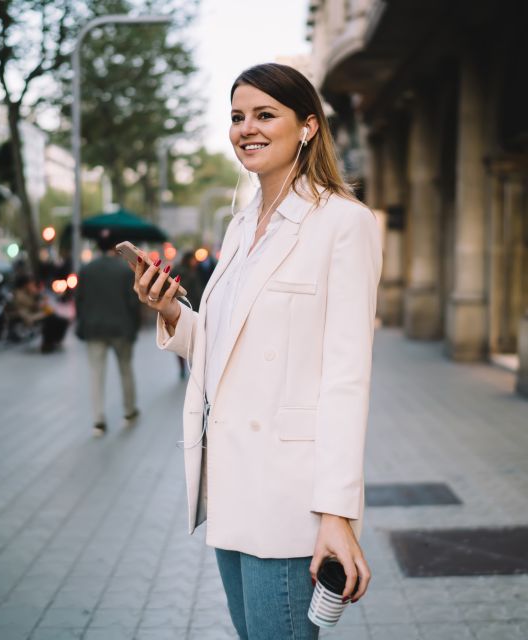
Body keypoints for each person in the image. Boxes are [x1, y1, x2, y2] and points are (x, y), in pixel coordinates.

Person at [132, 63, 382, 639]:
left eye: (265, 115)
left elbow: (347, 380)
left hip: (291, 497)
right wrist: (171, 311)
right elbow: (226, 350)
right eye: (238, 117)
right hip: (230, 486)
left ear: (308, 127)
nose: (247, 128)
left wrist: (338, 515)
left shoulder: (343, 223)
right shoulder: (242, 225)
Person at [75, 234, 141, 437]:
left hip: (94, 328)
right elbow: (133, 302)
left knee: (96, 374)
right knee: (126, 369)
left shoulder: (86, 270)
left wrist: (83, 323)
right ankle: (129, 412)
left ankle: (98, 420)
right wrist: (134, 327)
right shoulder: (124, 270)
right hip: (121, 328)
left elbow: (79, 301)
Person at [11, 274, 68, 352]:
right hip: (28, 316)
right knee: (50, 319)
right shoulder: (19, 294)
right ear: (25, 285)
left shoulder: (28, 292)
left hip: (35, 314)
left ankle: (55, 340)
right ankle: (47, 343)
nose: (32, 285)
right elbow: (32, 305)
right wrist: (35, 294)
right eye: (30, 283)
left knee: (60, 320)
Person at [173, 251, 203, 379]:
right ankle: (192, 365)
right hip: (190, 309)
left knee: (180, 338)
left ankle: (182, 367)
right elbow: (197, 293)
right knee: (191, 339)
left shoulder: (175, 271)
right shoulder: (191, 273)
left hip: (176, 309)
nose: (195, 262)